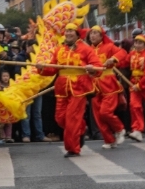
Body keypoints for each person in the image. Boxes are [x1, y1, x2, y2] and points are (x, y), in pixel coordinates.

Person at [37, 23, 101, 156]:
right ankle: (81, 129)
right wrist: (42, 67)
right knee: (60, 118)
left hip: (79, 88)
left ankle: (72, 148)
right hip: (62, 88)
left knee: (72, 118)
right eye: (66, 31)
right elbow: (52, 68)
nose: (68, 33)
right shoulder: (59, 49)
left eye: (71, 31)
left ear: (77, 34)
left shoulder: (86, 49)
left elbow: (98, 66)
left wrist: (92, 68)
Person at [85, 26, 127, 149]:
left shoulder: (108, 47)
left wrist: (113, 58)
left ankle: (119, 128)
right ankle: (109, 140)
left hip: (108, 84)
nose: (92, 36)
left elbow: (123, 52)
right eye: (91, 33)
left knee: (105, 112)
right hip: (94, 86)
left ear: (101, 36)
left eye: (95, 33)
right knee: (98, 116)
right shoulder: (87, 50)